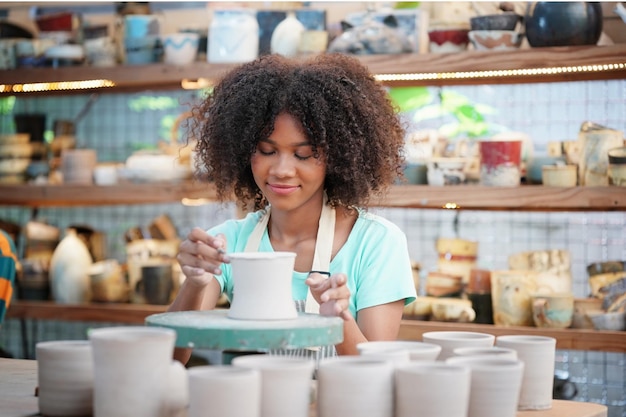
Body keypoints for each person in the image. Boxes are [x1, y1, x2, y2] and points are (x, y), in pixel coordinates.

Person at [169, 53, 417, 365]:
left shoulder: (376, 243)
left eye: (304, 154)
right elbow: (172, 357)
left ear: (339, 157)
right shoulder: (227, 243)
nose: (282, 170)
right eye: (267, 150)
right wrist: (195, 281)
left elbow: (377, 371)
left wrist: (339, 317)